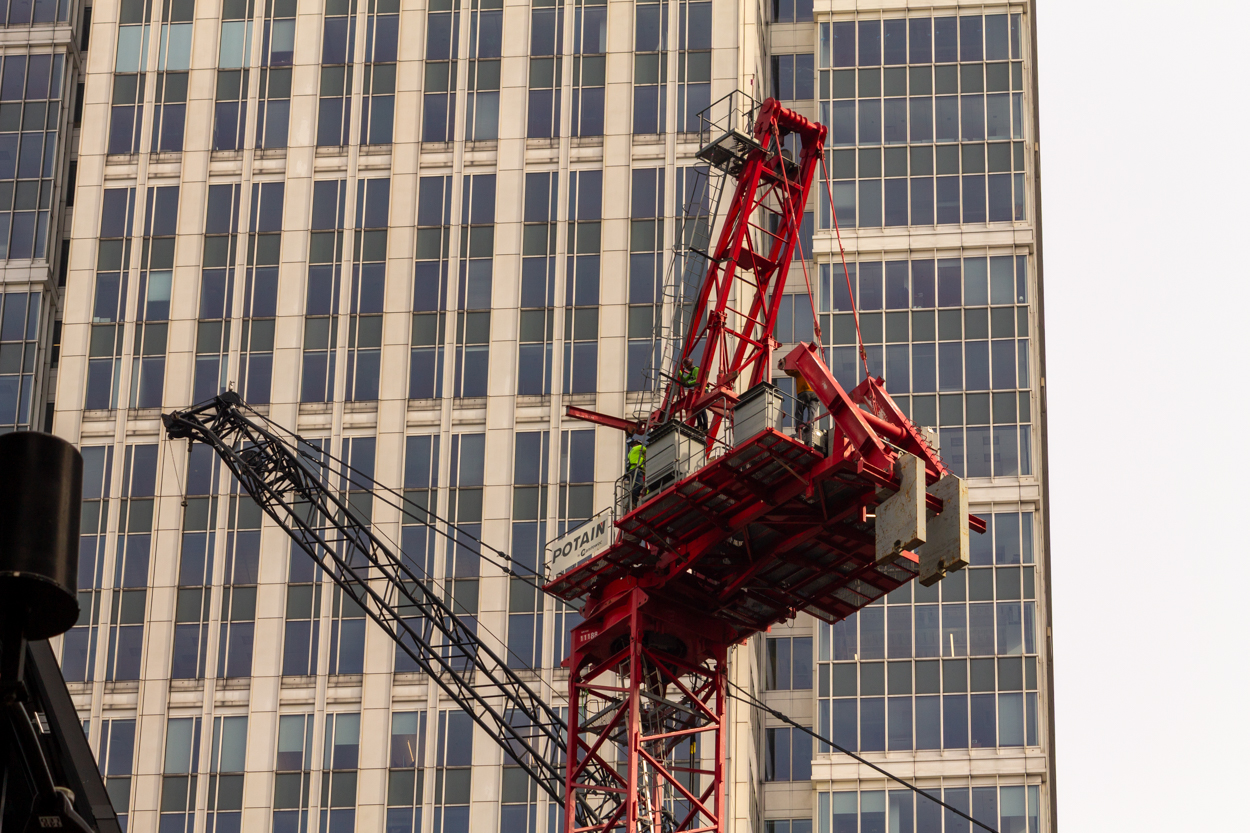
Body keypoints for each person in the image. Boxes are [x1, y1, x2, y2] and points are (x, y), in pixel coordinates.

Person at [677, 358, 708, 432]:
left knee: (702, 409)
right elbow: (684, 380)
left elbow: (698, 379)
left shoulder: (696, 369)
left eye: (687, 367)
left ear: (689, 366)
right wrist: (679, 372)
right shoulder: (691, 372)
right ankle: (700, 425)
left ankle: (705, 427)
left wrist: (689, 383)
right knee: (695, 407)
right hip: (698, 391)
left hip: (703, 390)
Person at [794, 374, 819, 445]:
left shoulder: (799, 369)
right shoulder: (814, 369)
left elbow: (790, 371)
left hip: (804, 391)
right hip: (815, 392)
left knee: (799, 411)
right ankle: (809, 425)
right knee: (812, 411)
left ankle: (799, 428)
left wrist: (783, 365)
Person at [626, 440, 646, 507]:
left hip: (631, 471)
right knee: (639, 485)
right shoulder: (639, 448)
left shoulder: (631, 452)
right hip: (636, 470)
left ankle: (632, 502)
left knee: (635, 487)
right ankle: (631, 501)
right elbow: (648, 449)